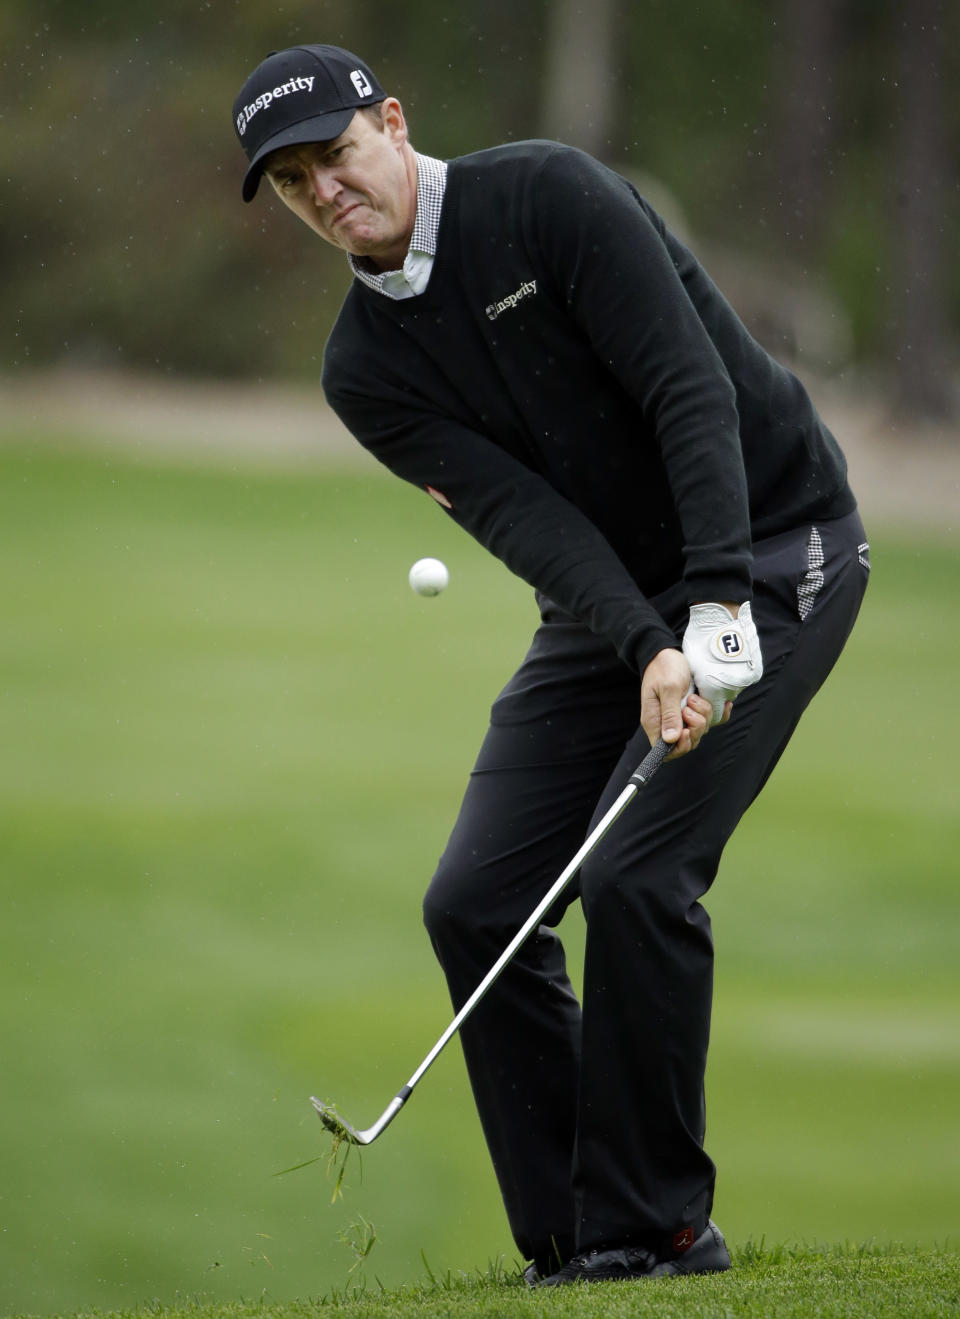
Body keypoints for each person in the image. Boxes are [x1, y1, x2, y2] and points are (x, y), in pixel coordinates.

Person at [232, 44, 869, 1287]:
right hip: (610, 606)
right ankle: (576, 1243)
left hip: (774, 539)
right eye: (298, 183)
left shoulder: (550, 196)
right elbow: (526, 519)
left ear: (394, 123)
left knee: (636, 873)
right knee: (474, 901)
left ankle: (662, 1226)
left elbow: (691, 390)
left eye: (337, 155)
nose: (328, 192)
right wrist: (643, 641)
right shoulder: (363, 370)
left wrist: (720, 602)